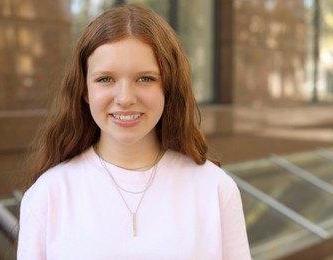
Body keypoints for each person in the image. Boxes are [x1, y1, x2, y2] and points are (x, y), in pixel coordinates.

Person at [17, 3, 251, 259]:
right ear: (84, 90)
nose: (125, 98)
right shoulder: (47, 195)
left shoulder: (215, 189)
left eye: (145, 78)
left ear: (168, 86)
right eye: (105, 79)